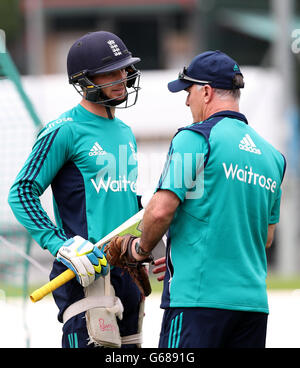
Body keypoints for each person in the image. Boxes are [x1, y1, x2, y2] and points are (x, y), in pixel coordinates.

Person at [125, 50, 286, 348]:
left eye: (188, 91)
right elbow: (264, 237)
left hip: (197, 301)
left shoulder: (195, 137)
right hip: (252, 307)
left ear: (207, 92)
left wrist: (140, 249)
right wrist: (182, 254)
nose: (187, 101)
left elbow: (160, 212)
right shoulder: (273, 157)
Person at [8, 31, 144, 348]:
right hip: (84, 274)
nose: (122, 77)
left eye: (125, 68)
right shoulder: (64, 130)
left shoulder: (126, 132)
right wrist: (61, 245)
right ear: (84, 80)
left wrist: (150, 244)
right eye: (111, 71)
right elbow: (21, 192)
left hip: (128, 276)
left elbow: (126, 201)